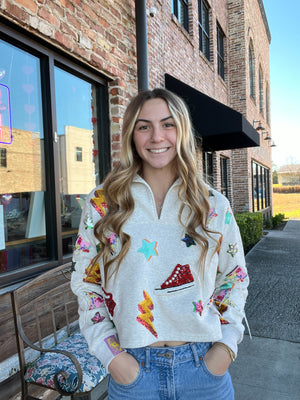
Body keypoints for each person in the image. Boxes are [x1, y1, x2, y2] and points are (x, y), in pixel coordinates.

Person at [71, 88, 249, 399]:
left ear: (181, 131)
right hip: (132, 373)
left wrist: (225, 348)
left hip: (204, 371)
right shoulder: (103, 203)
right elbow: (86, 283)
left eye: (168, 124)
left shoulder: (213, 205)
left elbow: (234, 278)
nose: (156, 136)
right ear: (131, 134)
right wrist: (113, 358)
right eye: (144, 126)